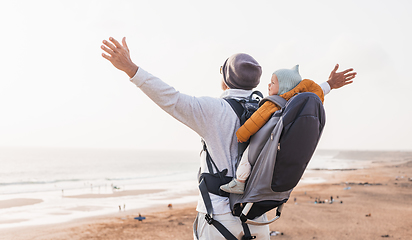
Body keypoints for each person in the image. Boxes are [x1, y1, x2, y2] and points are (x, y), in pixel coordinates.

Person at [101, 36, 356, 240]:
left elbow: (171, 98)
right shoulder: (272, 106)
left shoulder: (213, 111)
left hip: (218, 218)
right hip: (258, 217)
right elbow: (298, 97)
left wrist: (131, 69)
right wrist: (328, 85)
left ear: (225, 80)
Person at [220, 65, 325, 194]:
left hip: (263, 141)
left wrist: (242, 134)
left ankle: (239, 182)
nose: (269, 85)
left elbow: (256, 120)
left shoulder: (273, 103)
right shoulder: (295, 105)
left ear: (284, 87)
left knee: (247, 156)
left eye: (273, 82)